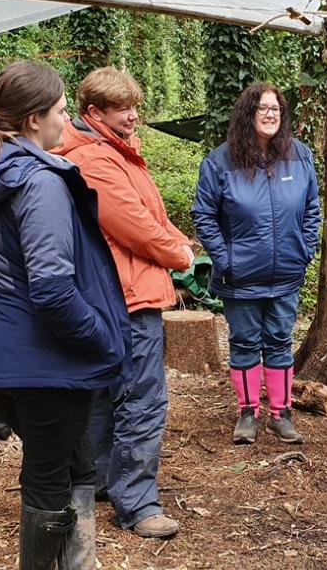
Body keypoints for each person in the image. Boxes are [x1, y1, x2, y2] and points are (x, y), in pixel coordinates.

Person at [0, 61, 130, 570]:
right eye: (63, 111)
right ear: (32, 121)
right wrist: (104, 341)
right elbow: (51, 289)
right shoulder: (38, 182)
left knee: (74, 459)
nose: (67, 122)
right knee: (47, 476)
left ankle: (81, 562)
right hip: (46, 366)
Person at [54, 67, 192, 539]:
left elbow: (154, 215)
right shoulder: (95, 159)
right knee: (142, 400)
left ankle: (98, 479)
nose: (133, 115)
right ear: (94, 112)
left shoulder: (116, 152)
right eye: (122, 109)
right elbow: (131, 223)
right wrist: (178, 253)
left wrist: (179, 242)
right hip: (127, 297)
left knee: (110, 396)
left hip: (123, 293)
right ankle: (136, 502)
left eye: (135, 106)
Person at [191, 82, 321, 445]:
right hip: (240, 276)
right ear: (247, 115)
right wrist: (224, 258)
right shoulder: (220, 161)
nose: (269, 115)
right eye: (262, 108)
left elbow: (312, 209)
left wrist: (304, 249)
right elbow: (204, 215)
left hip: (286, 274)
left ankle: (281, 414)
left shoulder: (300, 156)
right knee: (245, 342)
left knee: (280, 341)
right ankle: (247, 412)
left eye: (275, 109)